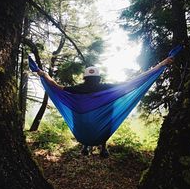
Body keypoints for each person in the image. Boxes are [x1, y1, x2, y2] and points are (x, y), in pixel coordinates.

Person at [37, 56, 173, 157]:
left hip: (82, 122)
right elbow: (132, 82)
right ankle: (102, 148)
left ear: (85, 78)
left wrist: (45, 75)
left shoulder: (78, 89)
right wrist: (161, 65)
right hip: (101, 121)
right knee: (105, 122)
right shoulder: (106, 88)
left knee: (84, 122)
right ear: (98, 78)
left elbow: (57, 87)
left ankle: (85, 145)